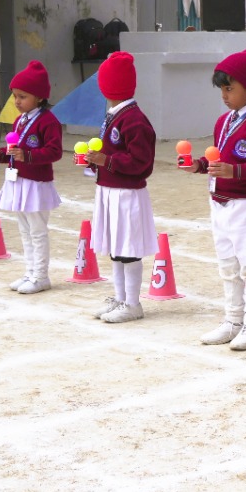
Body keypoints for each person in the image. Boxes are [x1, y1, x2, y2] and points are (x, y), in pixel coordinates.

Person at [186, 47, 246, 350]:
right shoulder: (224, 122)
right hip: (219, 200)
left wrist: (235, 170)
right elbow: (219, 159)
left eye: (230, 88)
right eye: (222, 89)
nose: (224, 95)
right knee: (227, 265)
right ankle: (232, 320)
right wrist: (200, 165)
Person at [86, 51, 158, 323]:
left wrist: (106, 161)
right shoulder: (114, 115)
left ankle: (132, 303)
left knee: (128, 249)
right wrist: (93, 161)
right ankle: (119, 297)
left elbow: (142, 162)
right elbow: (111, 151)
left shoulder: (134, 119)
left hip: (127, 194)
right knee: (116, 249)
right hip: (109, 189)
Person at [0, 61, 62, 294]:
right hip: (19, 181)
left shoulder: (48, 121)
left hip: (37, 183)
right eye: (15, 96)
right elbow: (14, 150)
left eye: (22, 97)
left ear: (40, 97)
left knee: (37, 230)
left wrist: (28, 156)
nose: (17, 101)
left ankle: (41, 276)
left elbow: (54, 152)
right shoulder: (20, 121)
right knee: (25, 230)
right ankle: (30, 272)